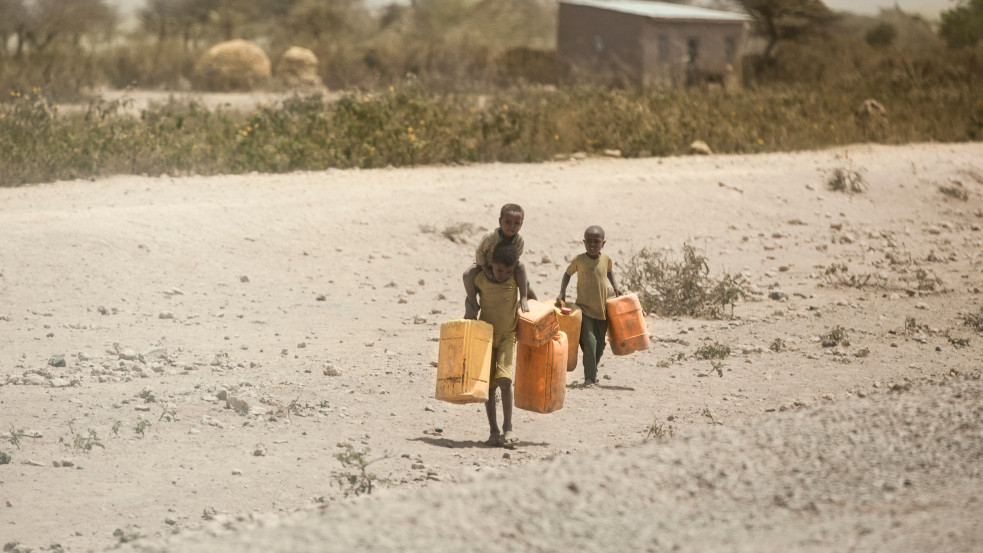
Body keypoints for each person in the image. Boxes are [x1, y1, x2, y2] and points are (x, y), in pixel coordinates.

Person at [466, 241, 521, 447]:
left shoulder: (515, 279)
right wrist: (470, 306)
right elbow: (468, 287)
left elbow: (529, 297)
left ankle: (508, 428)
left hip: (507, 337)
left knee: (505, 381)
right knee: (488, 386)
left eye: (508, 270)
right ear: (492, 264)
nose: (502, 274)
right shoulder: (482, 279)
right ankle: (493, 431)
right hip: (485, 337)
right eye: (499, 269)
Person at [557, 225, 623, 388]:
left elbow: (609, 271)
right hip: (584, 309)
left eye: (597, 241)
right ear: (584, 242)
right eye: (589, 241)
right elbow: (567, 274)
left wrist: (615, 286)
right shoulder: (579, 260)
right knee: (590, 341)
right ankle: (589, 378)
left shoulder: (606, 259)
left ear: (603, 243)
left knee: (600, 345)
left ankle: (592, 369)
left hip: (602, 310)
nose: (592, 245)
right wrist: (562, 292)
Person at [464, 203, 534, 319]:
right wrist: (486, 270)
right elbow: (480, 252)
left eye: (516, 223)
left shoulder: (519, 240)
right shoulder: (491, 236)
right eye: (507, 222)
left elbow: (516, 258)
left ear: (521, 224)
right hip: (485, 264)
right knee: (468, 275)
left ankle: (524, 298)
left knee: (521, 270)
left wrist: (509, 272)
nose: (512, 226)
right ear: (500, 221)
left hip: (507, 266)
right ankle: (473, 302)